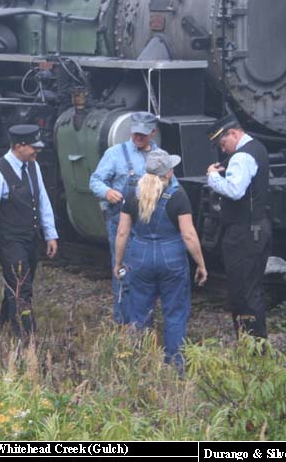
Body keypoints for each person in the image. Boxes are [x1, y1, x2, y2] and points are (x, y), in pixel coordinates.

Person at [113, 149, 208, 368]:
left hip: (140, 257)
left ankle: (139, 364)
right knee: (174, 312)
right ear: (168, 172)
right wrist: (201, 264)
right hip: (171, 257)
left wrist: (118, 262)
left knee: (140, 312)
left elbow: (122, 233)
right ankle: (175, 364)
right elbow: (188, 234)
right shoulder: (178, 196)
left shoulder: (133, 195)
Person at [89, 111, 176, 323]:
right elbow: (95, 181)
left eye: (143, 134)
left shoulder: (162, 156)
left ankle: (143, 324)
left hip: (152, 226)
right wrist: (107, 192)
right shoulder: (115, 153)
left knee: (147, 276)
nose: (138, 137)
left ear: (153, 133)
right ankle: (124, 323)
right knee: (124, 274)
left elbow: (173, 186)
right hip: (121, 222)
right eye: (135, 133)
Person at [0, 124, 59, 335]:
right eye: (33, 147)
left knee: (18, 283)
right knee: (21, 287)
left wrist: (50, 234)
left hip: (30, 238)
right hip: (9, 240)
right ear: (18, 146)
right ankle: (25, 335)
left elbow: (42, 200)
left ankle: (4, 324)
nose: (37, 151)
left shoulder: (33, 166)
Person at [205, 114, 271, 339]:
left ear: (233, 133)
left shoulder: (241, 157)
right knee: (252, 289)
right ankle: (256, 343)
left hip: (244, 232)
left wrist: (213, 177)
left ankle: (250, 346)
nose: (223, 149)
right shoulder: (258, 147)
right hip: (257, 227)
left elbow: (235, 191)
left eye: (222, 143)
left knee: (242, 292)